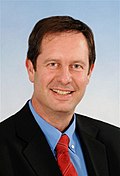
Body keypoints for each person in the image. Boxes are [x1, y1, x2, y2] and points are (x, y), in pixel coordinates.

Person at [0, 16, 120, 176]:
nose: (64, 78)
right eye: (53, 64)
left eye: (76, 66)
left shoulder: (115, 141)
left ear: (89, 72)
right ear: (31, 69)